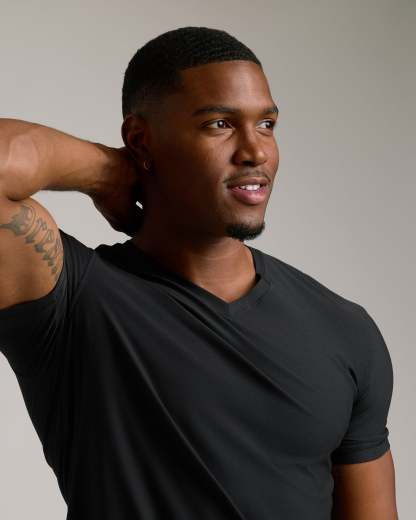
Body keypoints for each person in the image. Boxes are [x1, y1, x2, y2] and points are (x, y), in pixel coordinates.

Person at [0, 26, 398, 519]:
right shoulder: (74, 301)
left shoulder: (345, 330)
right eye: (220, 124)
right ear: (140, 140)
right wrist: (110, 172)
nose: (256, 151)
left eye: (267, 124)